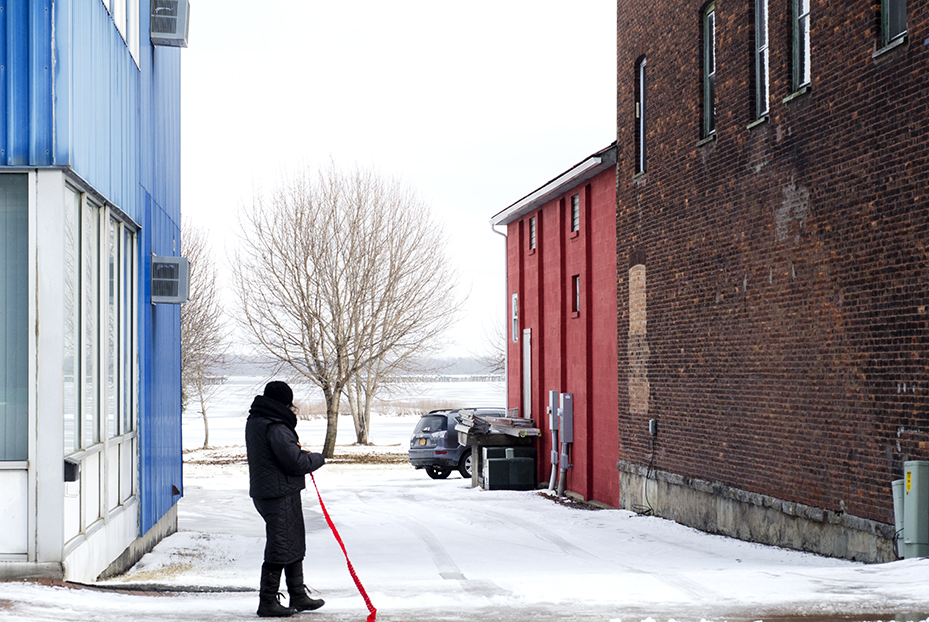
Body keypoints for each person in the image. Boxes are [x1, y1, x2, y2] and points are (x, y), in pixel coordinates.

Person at [245, 381, 326, 617]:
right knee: (280, 546)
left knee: (292, 541)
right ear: (284, 403)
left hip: (277, 491)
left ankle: (298, 595)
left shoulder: (259, 421)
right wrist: (317, 459)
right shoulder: (276, 427)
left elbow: (282, 456)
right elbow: (295, 462)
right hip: (277, 493)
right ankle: (267, 601)